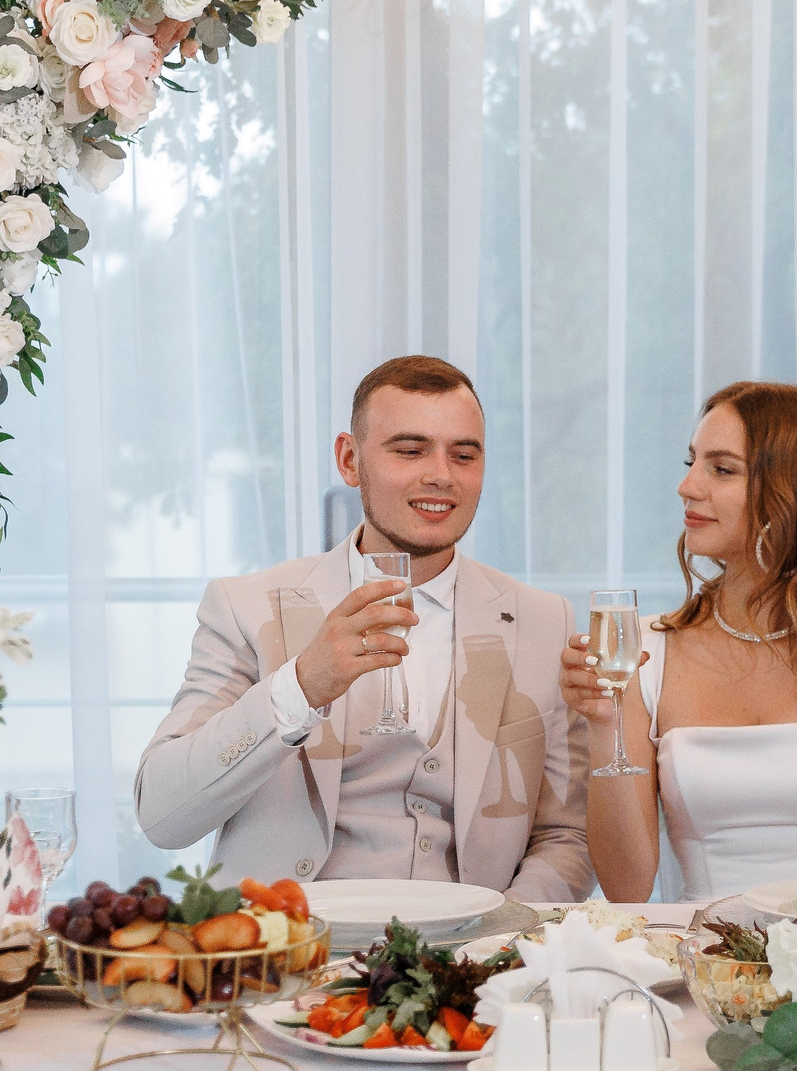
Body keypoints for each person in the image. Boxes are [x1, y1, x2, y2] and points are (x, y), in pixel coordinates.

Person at [136, 356, 592, 900]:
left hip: (471, 963)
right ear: (350, 461)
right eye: (410, 450)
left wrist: (503, 940)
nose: (441, 475)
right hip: (290, 957)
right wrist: (300, 685)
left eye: (463, 455)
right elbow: (162, 816)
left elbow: (567, 836)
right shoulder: (245, 606)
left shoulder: (545, 621)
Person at [562, 382, 797, 902]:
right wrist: (604, 727)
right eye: (692, 462)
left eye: (721, 469)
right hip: (698, 968)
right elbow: (626, 888)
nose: (687, 486)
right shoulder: (646, 652)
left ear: (796, 491)